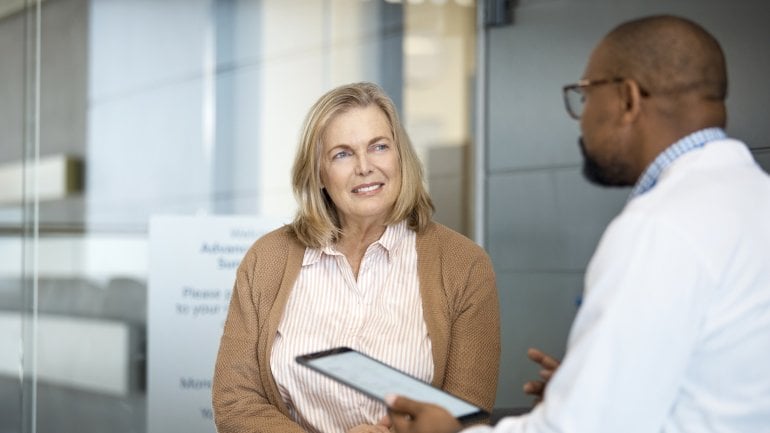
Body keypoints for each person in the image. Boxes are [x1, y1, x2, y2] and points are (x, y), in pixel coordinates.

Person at [385, 14, 770, 433]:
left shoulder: (659, 226)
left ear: (627, 99)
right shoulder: (753, 197)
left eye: (584, 96)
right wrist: (584, 384)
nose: (581, 119)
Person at [212, 82, 500, 433]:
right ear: (318, 172)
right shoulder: (267, 259)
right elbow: (234, 400)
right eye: (342, 154)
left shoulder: (463, 264)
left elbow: (468, 414)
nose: (365, 167)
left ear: (400, 156)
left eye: (379, 147)